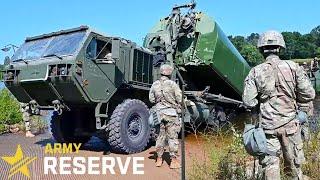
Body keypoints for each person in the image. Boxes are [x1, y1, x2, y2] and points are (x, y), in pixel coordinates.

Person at [243, 30, 315, 179]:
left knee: (270, 167)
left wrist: (260, 103)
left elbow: (248, 101)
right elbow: (309, 94)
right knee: (294, 168)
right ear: (280, 48)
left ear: (261, 49)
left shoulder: (255, 71)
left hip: (268, 129)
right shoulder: (293, 67)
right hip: (291, 126)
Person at [149, 64, 182, 169]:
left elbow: (151, 99)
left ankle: (159, 159)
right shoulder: (173, 84)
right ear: (170, 73)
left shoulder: (155, 84)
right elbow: (180, 98)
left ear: (161, 72)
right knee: (172, 137)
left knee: (160, 136)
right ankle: (174, 161)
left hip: (158, 114)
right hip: (171, 114)